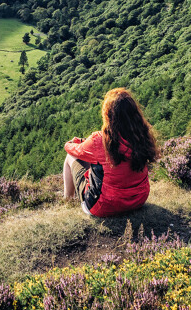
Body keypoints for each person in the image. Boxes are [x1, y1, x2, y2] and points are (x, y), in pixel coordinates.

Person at [63, 88, 159, 217]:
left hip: (103, 207)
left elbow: (74, 150)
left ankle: (67, 201)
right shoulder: (142, 135)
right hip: (138, 201)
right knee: (97, 161)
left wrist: (71, 142)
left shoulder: (100, 140)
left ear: (108, 115)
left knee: (71, 157)